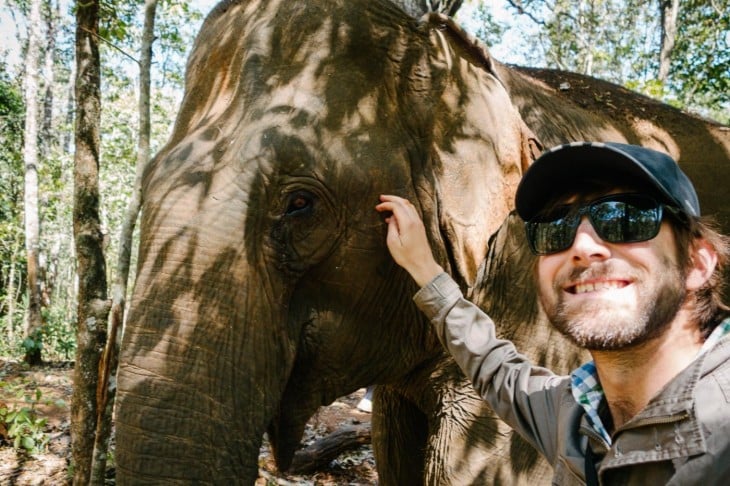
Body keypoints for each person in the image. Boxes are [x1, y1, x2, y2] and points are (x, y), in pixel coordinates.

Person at [375, 141, 730, 484]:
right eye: (556, 227)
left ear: (696, 264)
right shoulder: (575, 416)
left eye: (625, 218)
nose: (583, 246)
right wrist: (424, 268)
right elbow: (495, 369)